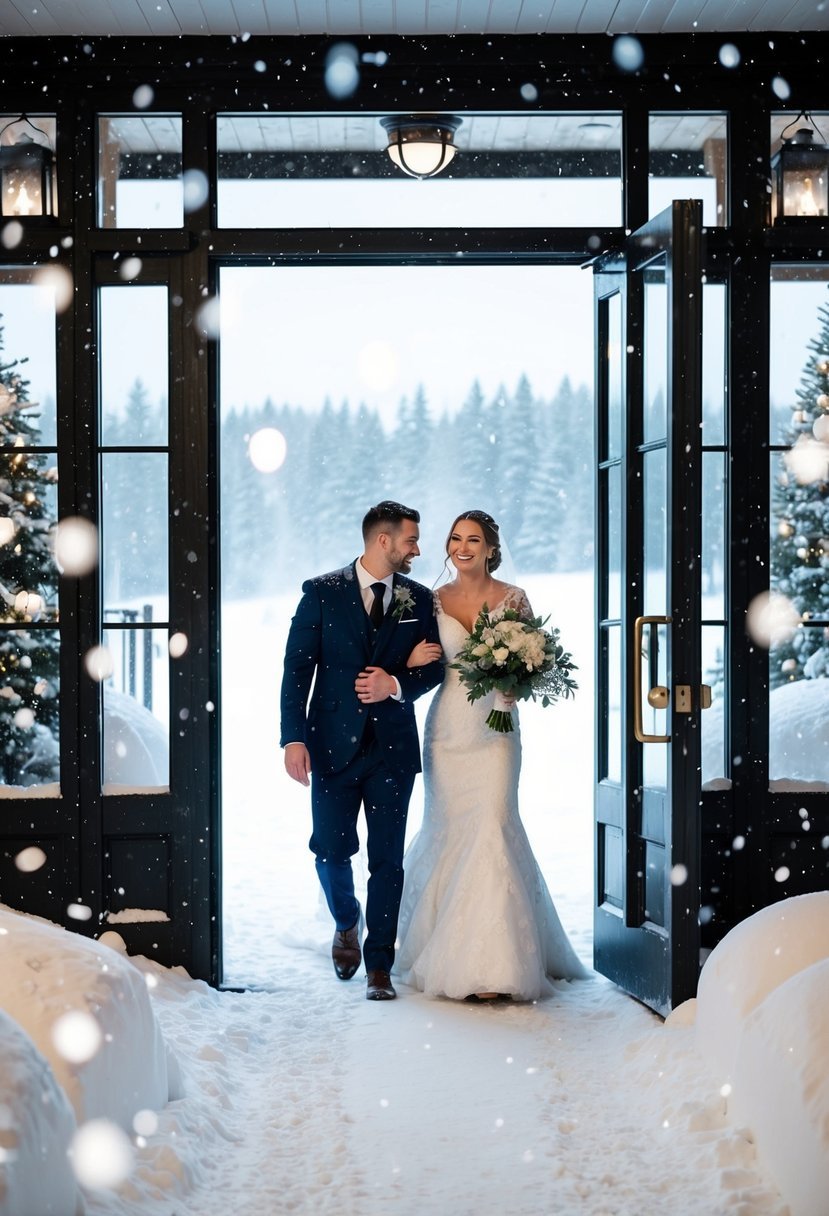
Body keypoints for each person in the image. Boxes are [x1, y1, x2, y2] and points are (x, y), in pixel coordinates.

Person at [395, 509, 588, 1001]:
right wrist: (409, 659)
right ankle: (448, 950)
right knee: (448, 828)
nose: (463, 547)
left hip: (497, 730)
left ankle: (499, 960)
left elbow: (537, 659)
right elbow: (397, 653)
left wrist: (515, 686)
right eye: (455, 538)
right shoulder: (429, 599)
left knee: (495, 823)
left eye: (473, 540)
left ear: (490, 547)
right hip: (447, 729)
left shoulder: (514, 599)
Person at [280, 501, 444, 1001]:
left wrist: (396, 681)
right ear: (383, 542)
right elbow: (296, 670)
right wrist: (293, 738)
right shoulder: (322, 593)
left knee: (388, 861)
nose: (417, 548)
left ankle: (379, 966)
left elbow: (434, 669)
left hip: (392, 750)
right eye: (411, 540)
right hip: (331, 745)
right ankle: (346, 921)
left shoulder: (417, 599)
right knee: (330, 851)